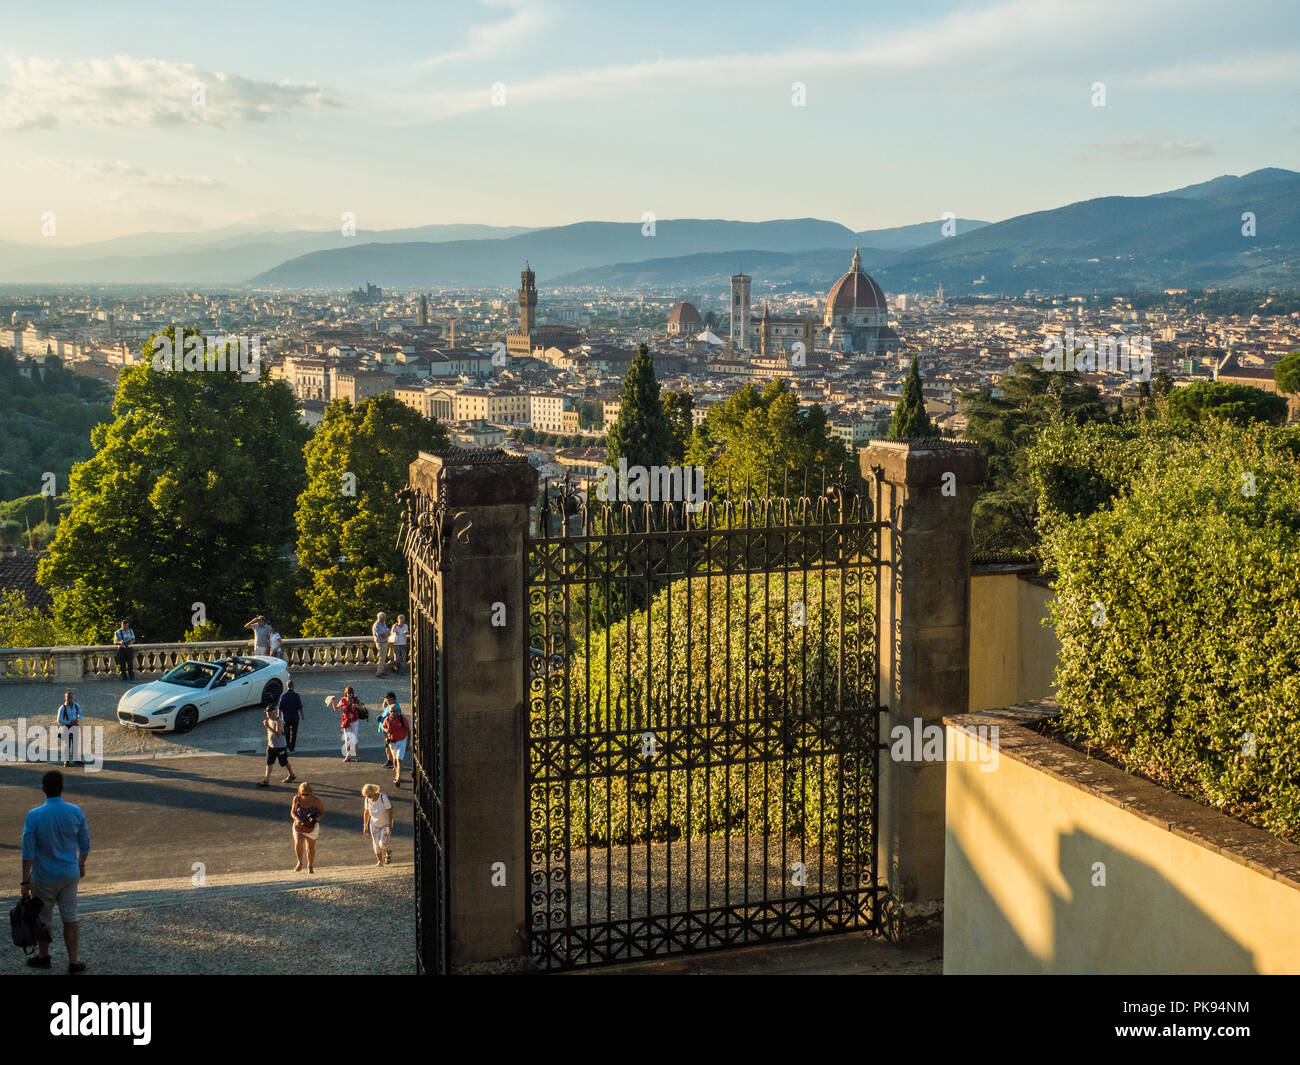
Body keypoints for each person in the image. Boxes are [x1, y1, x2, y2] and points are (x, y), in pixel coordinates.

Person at [20, 770, 91, 974]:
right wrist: (81, 864)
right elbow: (85, 845)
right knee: (70, 915)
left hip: (44, 876)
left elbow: (28, 853)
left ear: (43, 789)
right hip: (69, 873)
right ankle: (73, 962)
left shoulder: (34, 815)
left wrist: (25, 881)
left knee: (43, 918)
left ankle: (44, 957)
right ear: (62, 787)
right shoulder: (75, 811)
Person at [290, 782, 324, 874]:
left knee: (310, 849)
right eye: (302, 794)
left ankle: (310, 865)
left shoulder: (316, 800)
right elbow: (292, 812)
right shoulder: (296, 799)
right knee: (298, 843)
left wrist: (317, 819)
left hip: (311, 826)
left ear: (311, 792)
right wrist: (297, 819)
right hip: (299, 825)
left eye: (307, 794)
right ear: (299, 792)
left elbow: (322, 812)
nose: (304, 796)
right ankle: (300, 862)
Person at [259, 705, 296, 787]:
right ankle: (266, 779)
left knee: (284, 762)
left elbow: (278, 734)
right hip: (271, 746)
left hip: (280, 746)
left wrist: (268, 726)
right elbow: (269, 733)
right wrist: (269, 742)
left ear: (273, 712)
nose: (267, 714)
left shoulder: (279, 721)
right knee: (269, 763)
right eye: (266, 713)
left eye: (268, 713)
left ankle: (292, 774)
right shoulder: (269, 720)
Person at [361, 784, 394, 865]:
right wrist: (365, 825)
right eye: (367, 796)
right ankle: (380, 862)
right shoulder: (367, 800)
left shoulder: (383, 797)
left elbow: (390, 810)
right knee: (376, 844)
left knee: (382, 843)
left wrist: (389, 825)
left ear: (373, 792)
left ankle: (388, 851)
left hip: (385, 824)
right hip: (374, 824)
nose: (369, 797)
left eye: (369, 795)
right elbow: (367, 812)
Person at [328, 686, 362, 761]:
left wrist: (356, 705)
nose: (350, 695)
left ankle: (356, 756)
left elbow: (362, 708)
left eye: (351, 693)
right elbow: (336, 709)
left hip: (354, 721)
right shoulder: (343, 700)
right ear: (346, 693)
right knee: (347, 739)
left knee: (355, 738)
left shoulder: (356, 700)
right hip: (346, 721)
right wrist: (333, 702)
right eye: (348, 693)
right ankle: (348, 755)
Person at [381, 697, 409, 788]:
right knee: (395, 761)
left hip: (401, 741)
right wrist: (386, 729)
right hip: (392, 742)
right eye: (391, 711)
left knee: (399, 760)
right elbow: (382, 726)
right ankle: (396, 774)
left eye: (395, 711)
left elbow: (408, 730)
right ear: (389, 712)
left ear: (398, 711)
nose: (393, 713)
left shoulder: (402, 719)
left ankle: (398, 778)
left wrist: (408, 743)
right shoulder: (388, 719)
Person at [55, 691, 83, 768]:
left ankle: (75, 759)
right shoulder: (62, 708)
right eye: (68, 697)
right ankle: (66, 761)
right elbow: (59, 720)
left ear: (72, 697)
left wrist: (77, 720)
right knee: (67, 745)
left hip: (75, 726)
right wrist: (69, 722)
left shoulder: (77, 706)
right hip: (66, 727)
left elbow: (80, 715)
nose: (69, 698)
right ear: (65, 698)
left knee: (75, 744)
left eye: (70, 697)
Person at [278, 680, 304, 753]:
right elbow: (300, 707)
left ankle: (287, 746)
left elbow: (280, 708)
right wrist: (302, 715)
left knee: (287, 733)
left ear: (287, 686)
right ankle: (292, 748)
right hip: (295, 717)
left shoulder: (283, 696)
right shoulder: (296, 695)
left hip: (286, 718)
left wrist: (279, 718)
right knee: (294, 733)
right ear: (293, 686)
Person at [372, 612, 391, 677]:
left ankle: (381, 671)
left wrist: (387, 634)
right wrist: (387, 634)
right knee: (381, 657)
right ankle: (378, 672)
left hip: (384, 642)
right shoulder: (377, 625)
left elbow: (387, 631)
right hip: (380, 643)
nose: (385, 618)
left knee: (383, 657)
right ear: (381, 618)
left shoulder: (384, 623)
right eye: (384, 617)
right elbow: (382, 635)